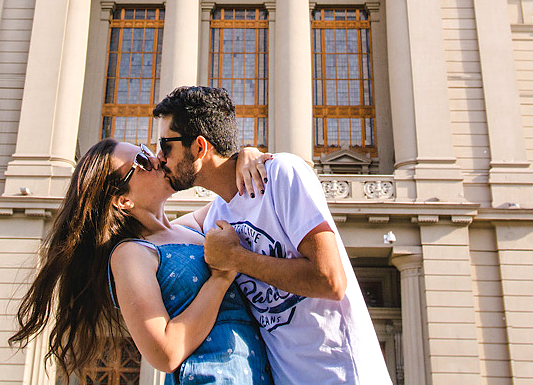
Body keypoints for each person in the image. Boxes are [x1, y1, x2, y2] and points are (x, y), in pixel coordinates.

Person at [155, 85, 392, 385]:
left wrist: (236, 258)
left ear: (200, 148)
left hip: (344, 376)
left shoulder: (281, 175)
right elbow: (155, 229)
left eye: (165, 146)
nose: (159, 157)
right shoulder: (214, 218)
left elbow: (330, 279)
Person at [9, 138, 273, 385]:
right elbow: (164, 353)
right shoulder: (130, 253)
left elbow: (234, 193)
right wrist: (220, 278)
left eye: (148, 151)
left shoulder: (191, 227)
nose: (157, 159)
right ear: (123, 200)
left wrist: (244, 155)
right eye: (142, 162)